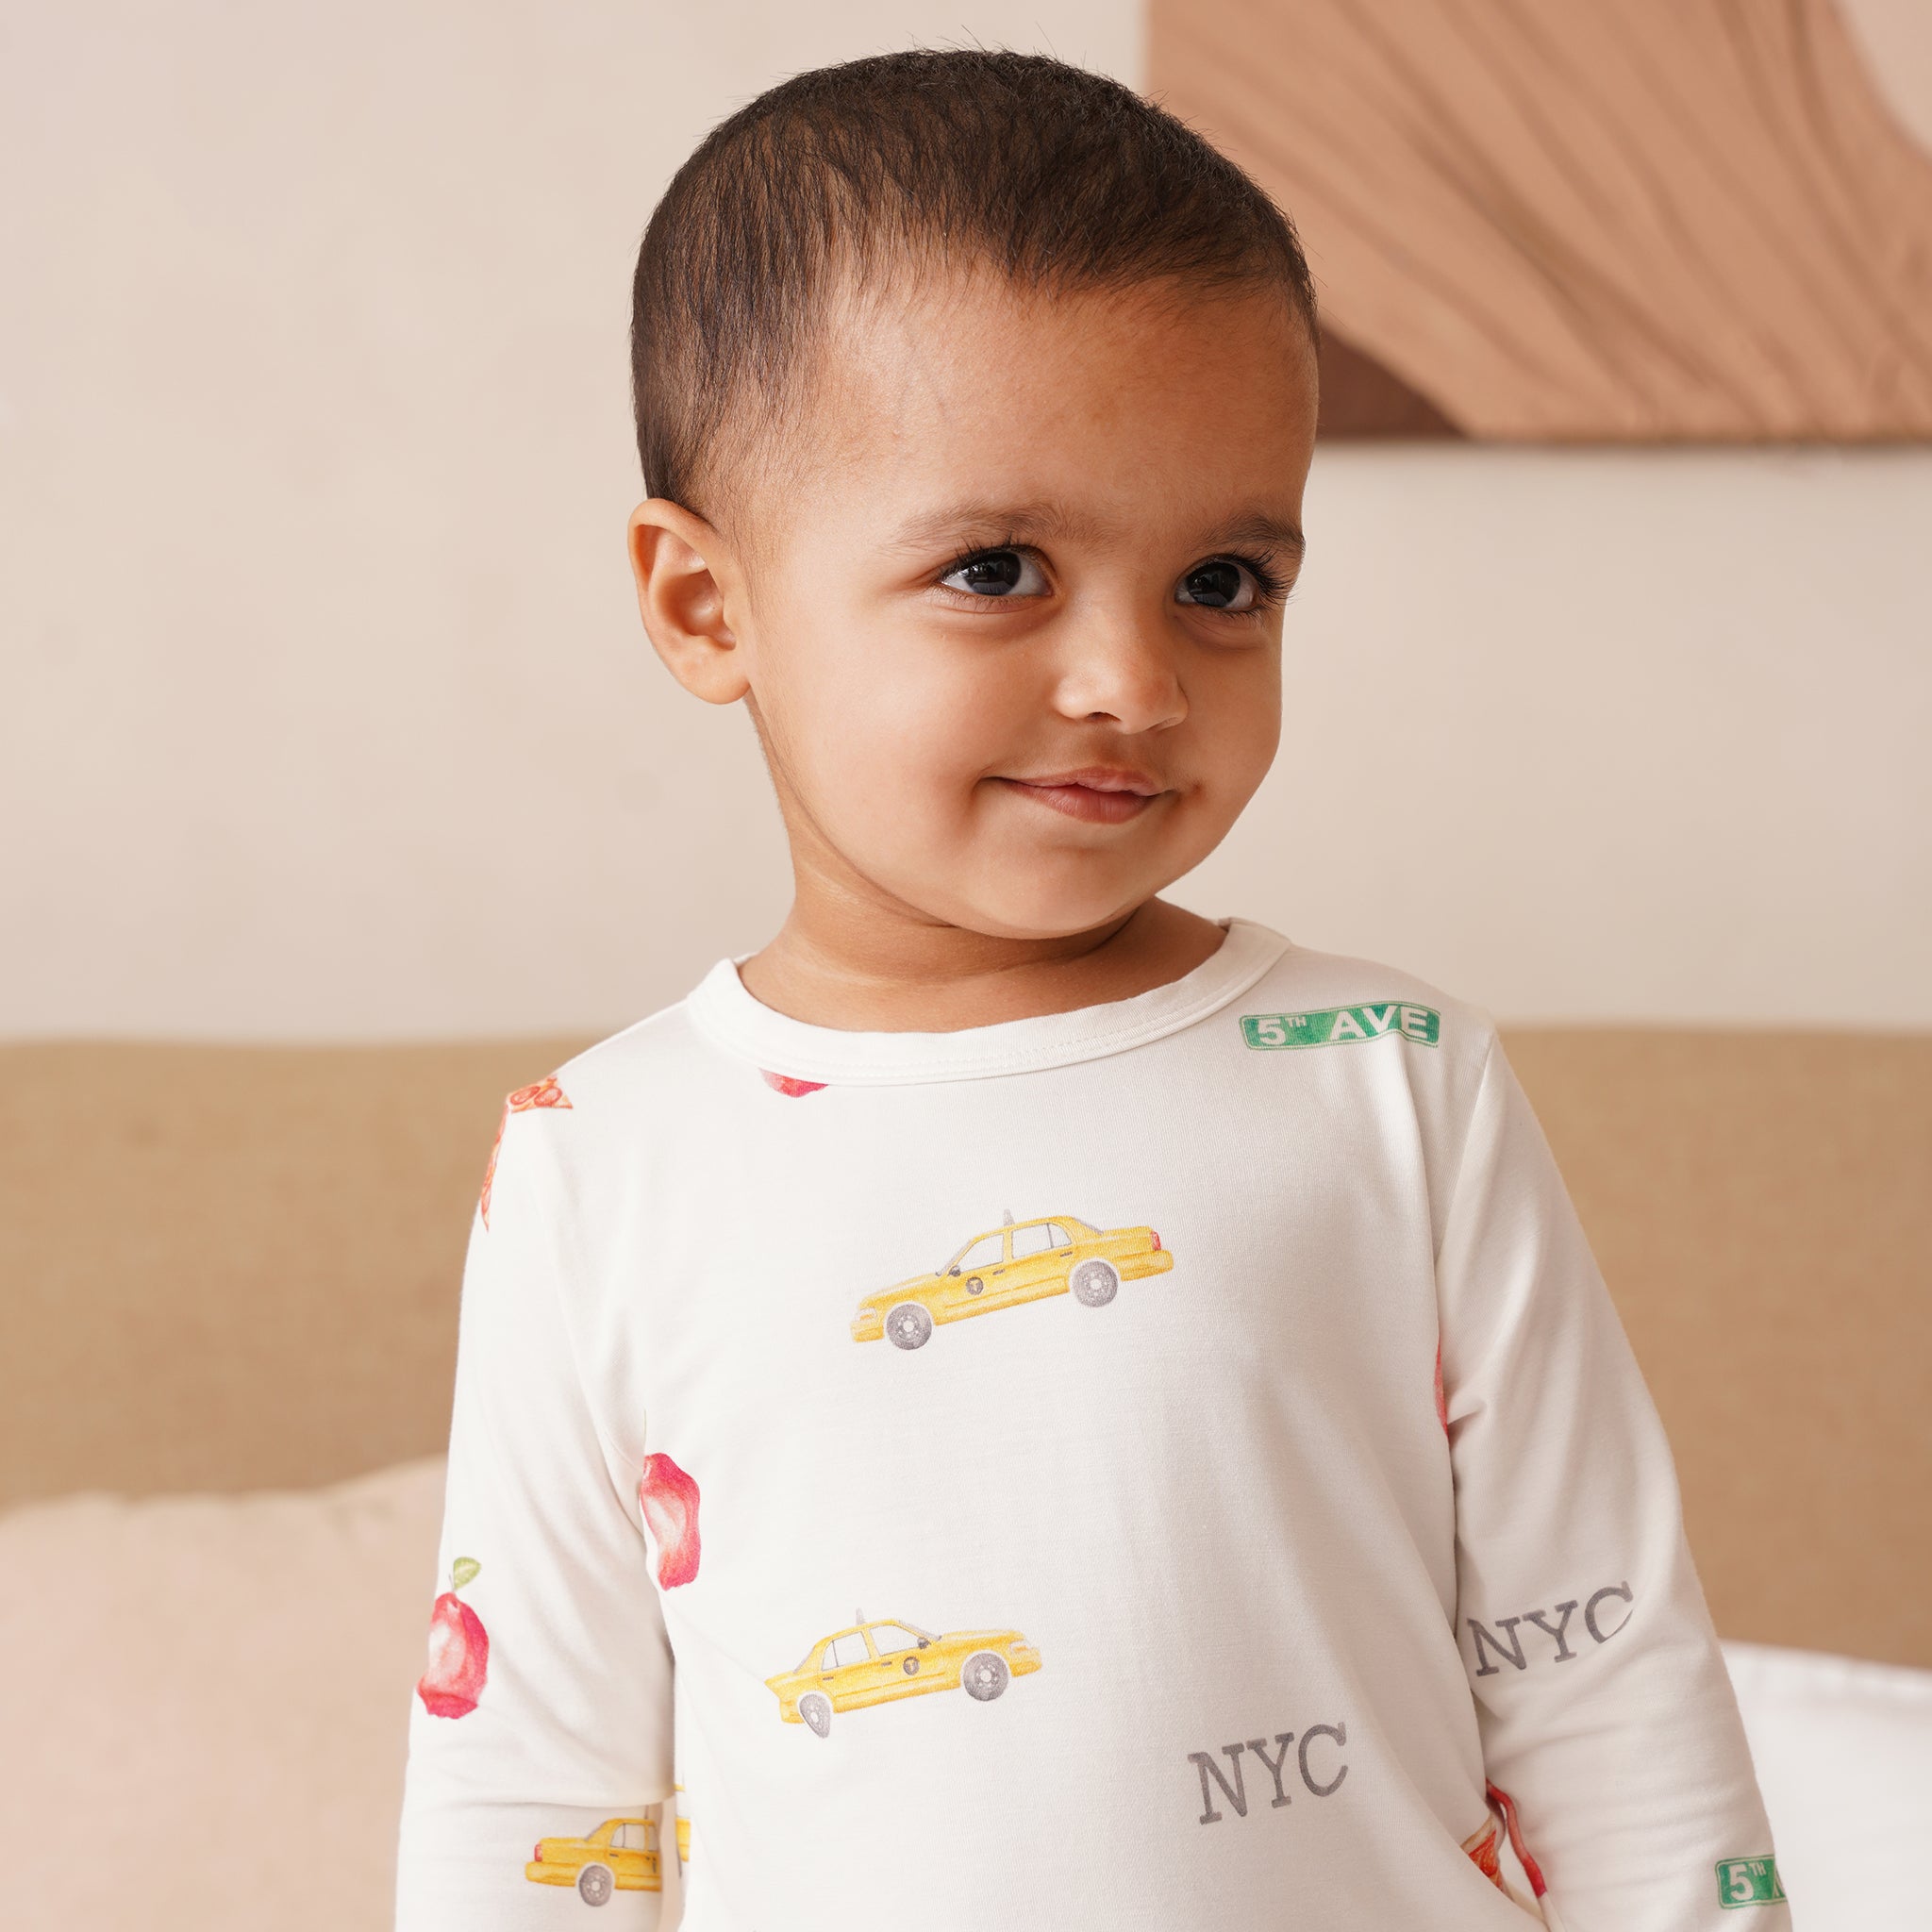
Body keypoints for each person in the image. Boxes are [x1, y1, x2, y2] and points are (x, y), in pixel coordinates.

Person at [393, 48, 1787, 1932]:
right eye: (997, 568)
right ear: (704, 606)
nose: (1135, 679)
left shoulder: (1389, 1077)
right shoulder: (600, 1162)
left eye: (1223, 578)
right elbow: (527, 1789)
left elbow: (1604, 1672)